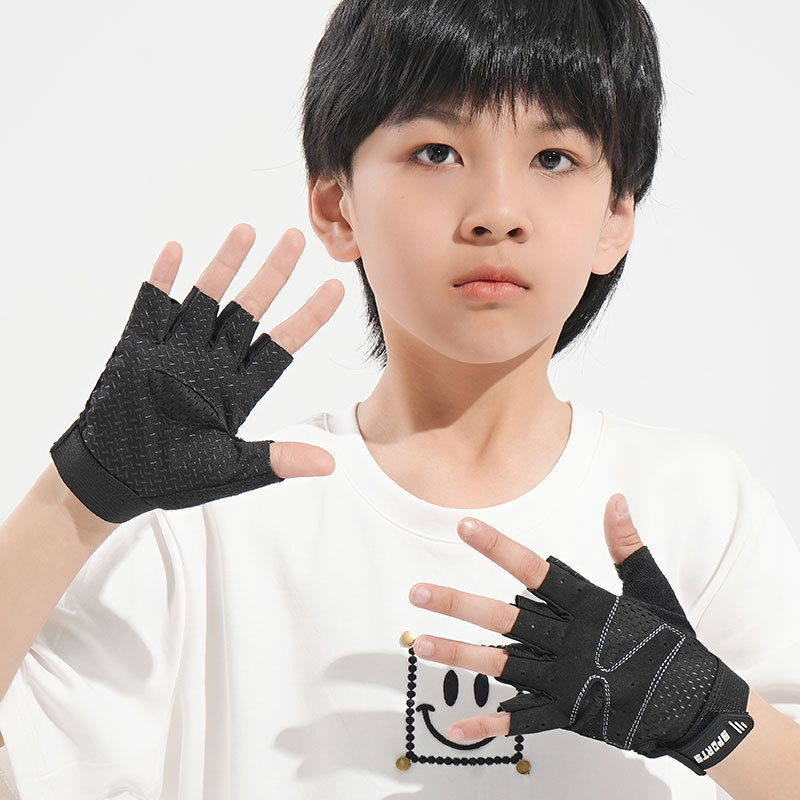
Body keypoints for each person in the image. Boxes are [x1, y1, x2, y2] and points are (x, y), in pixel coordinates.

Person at [0, 0, 799, 798]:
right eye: (437, 151)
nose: (496, 213)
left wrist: (709, 717)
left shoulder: (695, 504)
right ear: (336, 205)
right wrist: (75, 499)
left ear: (616, 217)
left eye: (553, 157)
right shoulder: (207, 522)